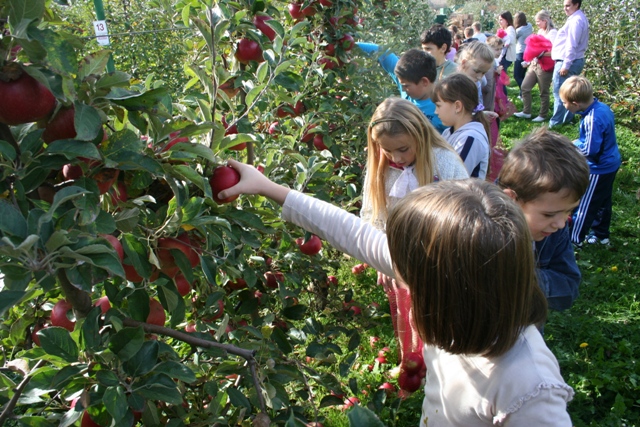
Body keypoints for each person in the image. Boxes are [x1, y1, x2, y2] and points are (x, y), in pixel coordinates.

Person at [217, 164, 575, 426]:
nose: (394, 268)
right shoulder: (456, 293)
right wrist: (268, 187)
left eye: (403, 263)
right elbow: (355, 234)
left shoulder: (530, 385)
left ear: (439, 284)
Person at [360, 97, 468, 363]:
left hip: (440, 256)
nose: (396, 157)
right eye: (387, 150)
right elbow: (374, 215)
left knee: (439, 311)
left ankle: (446, 361)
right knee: (409, 311)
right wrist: (381, 254)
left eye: (403, 149)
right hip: (399, 258)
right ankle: (414, 362)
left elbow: (464, 211)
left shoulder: (444, 163)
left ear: (420, 135)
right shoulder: (381, 169)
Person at [497, 127, 589, 310]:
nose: (561, 223)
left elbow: (568, 287)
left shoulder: (554, 228)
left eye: (569, 211)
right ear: (511, 199)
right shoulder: (479, 230)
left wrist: (523, 279)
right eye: (549, 214)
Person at [559, 76, 621, 246]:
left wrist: (569, 147)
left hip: (598, 168)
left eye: (564, 102)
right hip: (611, 163)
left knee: (586, 204)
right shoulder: (602, 108)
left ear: (575, 103)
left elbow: (589, 150)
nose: (564, 105)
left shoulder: (591, 119)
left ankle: (574, 239)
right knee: (602, 201)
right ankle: (601, 234)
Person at [355, 44, 446, 133]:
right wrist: (351, 45)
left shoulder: (444, 106)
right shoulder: (406, 76)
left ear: (424, 82)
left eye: (406, 86)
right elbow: (382, 52)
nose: (402, 89)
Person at [433, 74, 490, 179]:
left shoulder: (470, 138)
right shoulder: (448, 132)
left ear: (458, 106)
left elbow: (454, 178)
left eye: (438, 106)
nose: (435, 112)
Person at [549, 0, 589, 128]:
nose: (565, 8)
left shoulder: (576, 21)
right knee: (570, 93)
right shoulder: (576, 18)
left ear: (576, 5)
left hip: (568, 61)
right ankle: (567, 120)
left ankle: (556, 123)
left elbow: (572, 44)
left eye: (568, 6)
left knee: (560, 93)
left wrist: (566, 65)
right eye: (564, 6)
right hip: (572, 60)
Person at [515, 10, 558, 122]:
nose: (537, 24)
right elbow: (535, 48)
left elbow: (555, 51)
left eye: (538, 21)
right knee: (525, 87)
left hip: (545, 66)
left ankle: (543, 115)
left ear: (545, 20)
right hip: (534, 64)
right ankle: (526, 112)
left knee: (543, 91)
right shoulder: (540, 31)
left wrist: (541, 54)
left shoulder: (552, 33)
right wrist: (529, 60)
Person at [454, 41, 495, 105]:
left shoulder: (476, 84)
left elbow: (478, 105)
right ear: (464, 63)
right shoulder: (450, 84)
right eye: (476, 71)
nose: (480, 77)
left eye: (484, 73)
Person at [513, 12, 533, 97]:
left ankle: (525, 91)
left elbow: (513, 38)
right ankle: (522, 94)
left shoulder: (519, 30)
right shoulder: (529, 26)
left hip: (520, 52)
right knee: (522, 74)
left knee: (517, 75)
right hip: (528, 52)